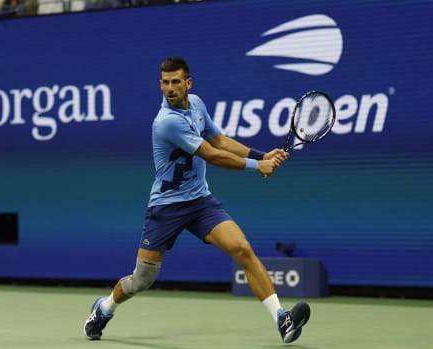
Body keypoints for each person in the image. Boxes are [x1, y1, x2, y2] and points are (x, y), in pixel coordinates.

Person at [84, 57, 311, 344]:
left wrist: (261, 155)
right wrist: (258, 168)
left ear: (188, 83)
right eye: (165, 83)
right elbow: (212, 155)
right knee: (141, 280)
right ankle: (104, 308)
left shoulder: (198, 104)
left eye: (175, 82)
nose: (170, 88)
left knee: (242, 249)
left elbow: (221, 141)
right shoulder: (166, 122)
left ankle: (282, 318)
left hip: (200, 201)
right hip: (166, 208)